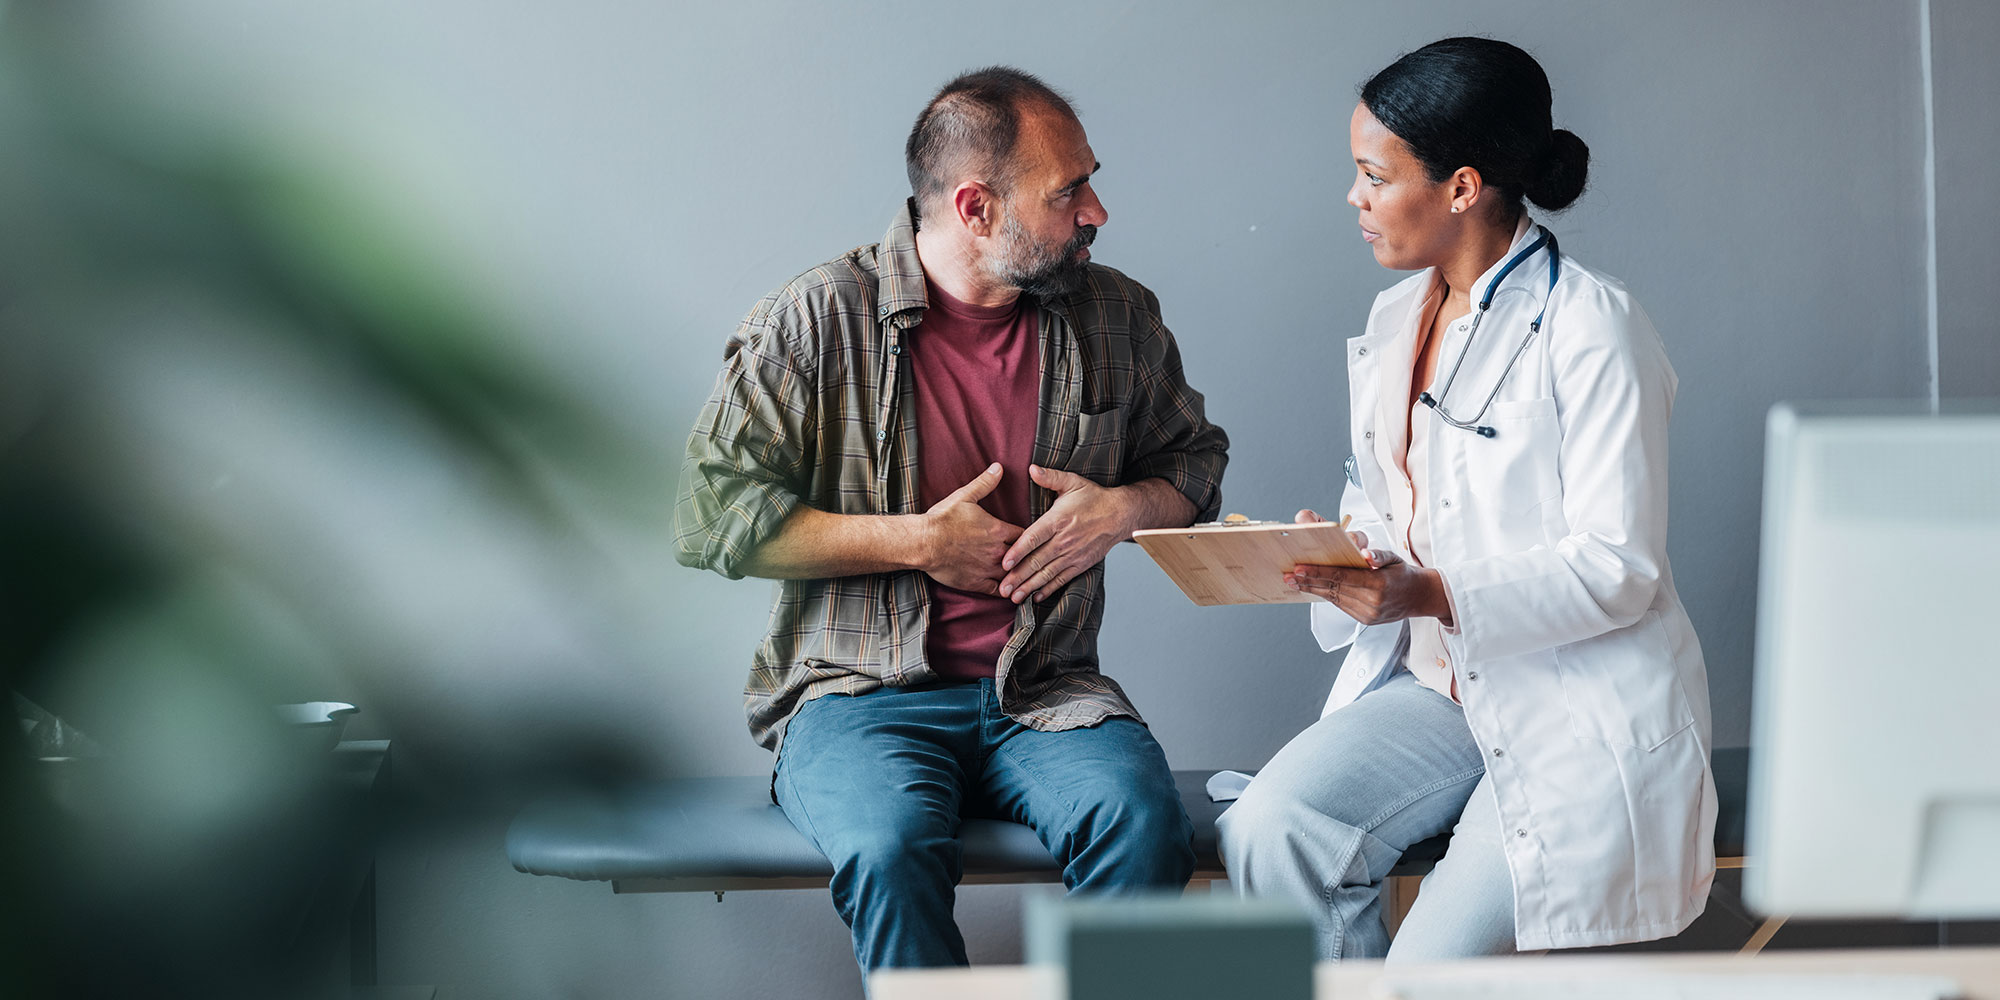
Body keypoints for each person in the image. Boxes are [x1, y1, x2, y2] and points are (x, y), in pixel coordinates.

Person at [674, 67, 1229, 973]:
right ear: (976, 208)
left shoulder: (1117, 314)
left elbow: (1194, 464)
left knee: (1145, 829)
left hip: (1045, 689)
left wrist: (1122, 510)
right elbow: (707, 519)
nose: (1098, 211)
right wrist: (919, 542)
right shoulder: (816, 320)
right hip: (858, 695)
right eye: (1070, 192)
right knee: (891, 853)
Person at [1217, 37, 1714, 961]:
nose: (1354, 199)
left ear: (1460, 188)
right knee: (1269, 829)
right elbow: (1395, 502)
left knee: (1424, 971)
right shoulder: (1394, 317)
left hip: (1572, 700)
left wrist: (1434, 592)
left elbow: (1622, 567)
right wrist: (1343, 549)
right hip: (1440, 687)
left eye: (1374, 175)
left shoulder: (1592, 325)